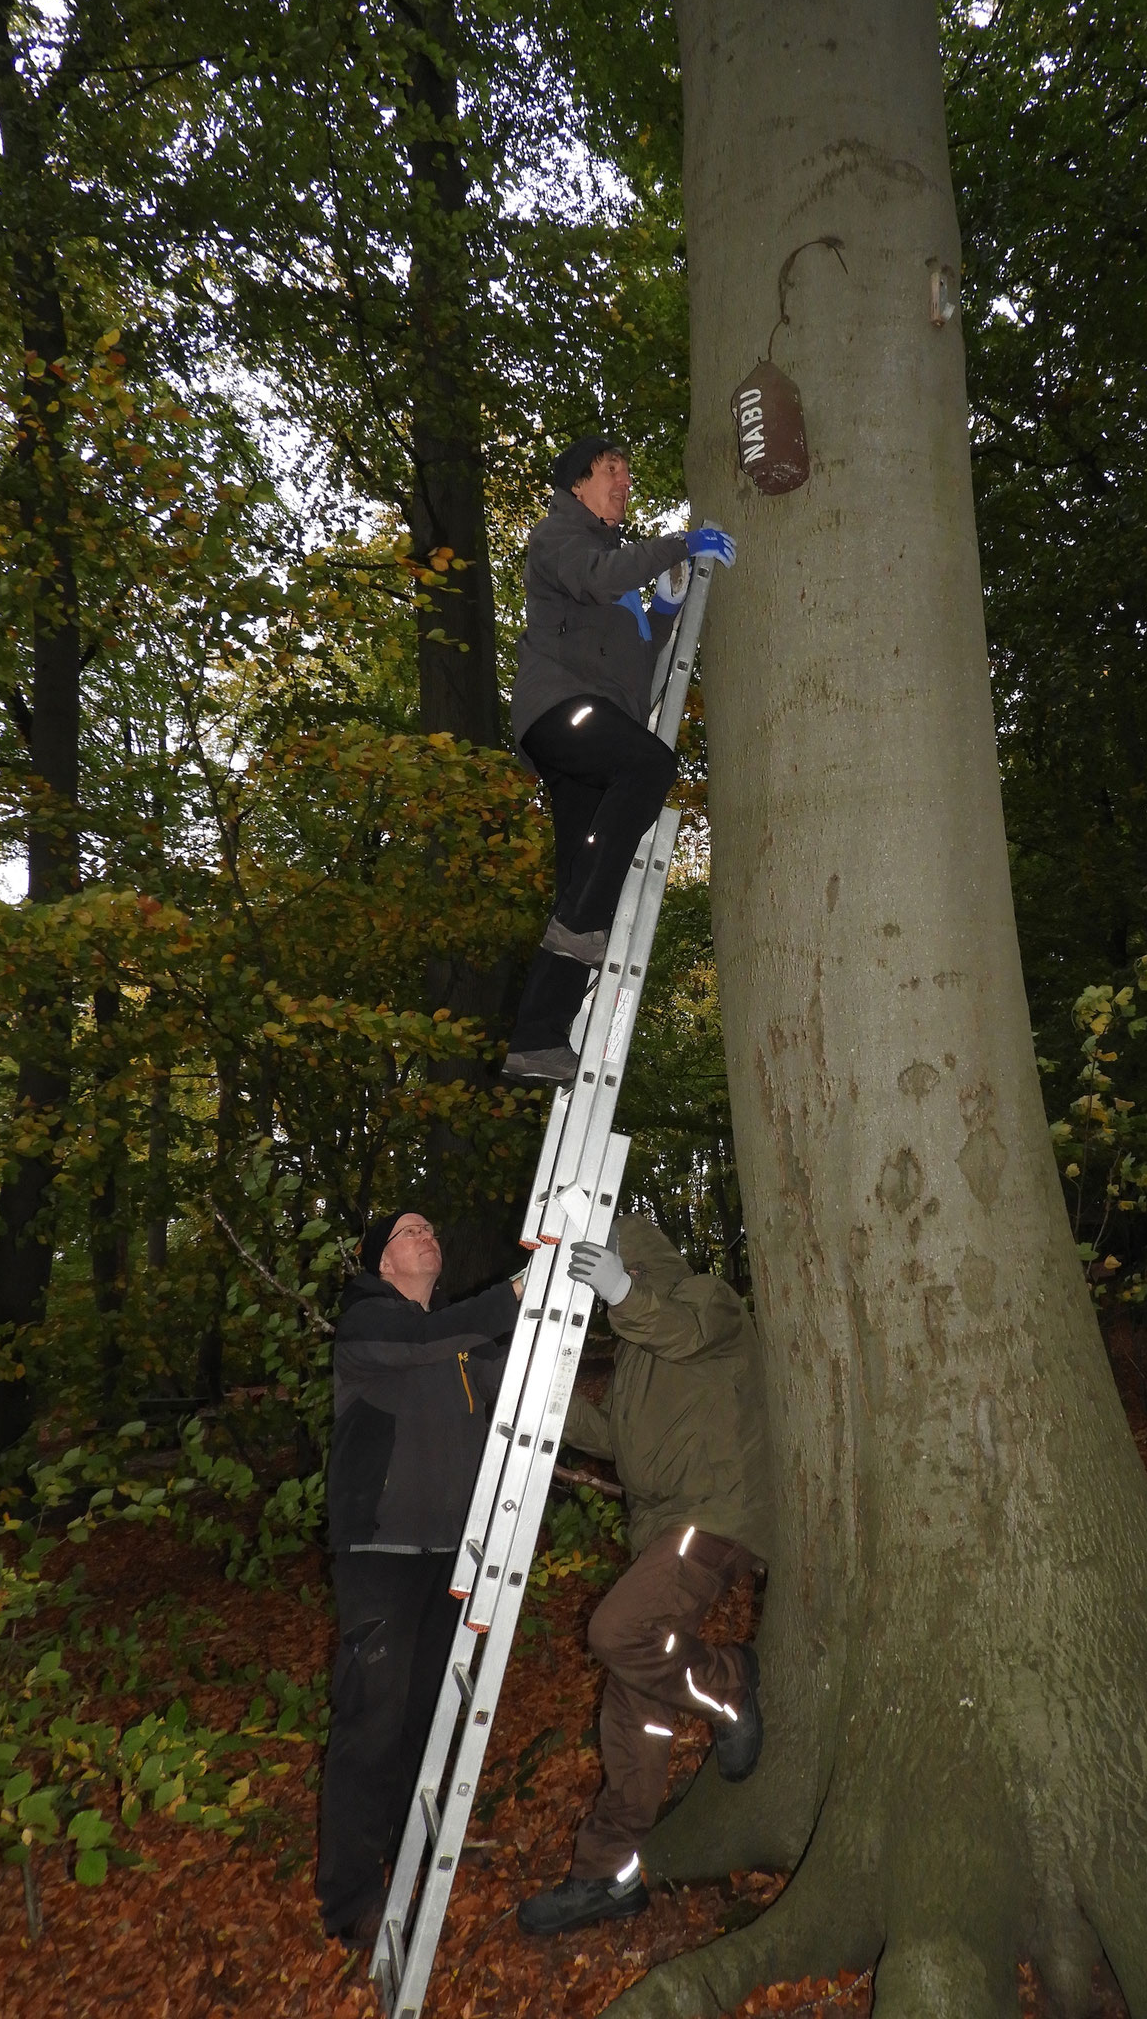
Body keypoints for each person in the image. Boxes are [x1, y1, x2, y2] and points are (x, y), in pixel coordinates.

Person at [515, 1214, 772, 1936]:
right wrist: (545, 1399)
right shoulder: (635, 1353)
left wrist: (624, 1290)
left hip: (715, 1513)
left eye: (609, 1264)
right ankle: (608, 1877)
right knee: (632, 1717)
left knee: (618, 1631)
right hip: (662, 1530)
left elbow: (682, 1333)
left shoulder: (707, 1298)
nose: (600, 1289)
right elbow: (623, 1449)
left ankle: (728, 1683)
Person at [316, 1208, 522, 1947]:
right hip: (381, 1557)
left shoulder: (460, 1344)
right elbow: (423, 1339)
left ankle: (410, 1870)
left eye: (433, 1227)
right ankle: (348, 1901)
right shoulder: (369, 1324)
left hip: (452, 1560)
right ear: (381, 1264)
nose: (427, 1234)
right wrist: (516, 1293)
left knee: (425, 1722)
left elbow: (525, 1386)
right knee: (371, 1722)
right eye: (408, 1231)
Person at [503, 435, 736, 1085]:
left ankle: (538, 1040)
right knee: (652, 767)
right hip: (564, 714)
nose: (623, 485)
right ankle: (581, 927)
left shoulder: (613, 568)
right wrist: (679, 543)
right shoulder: (560, 538)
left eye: (628, 476)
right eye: (612, 473)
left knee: (581, 880)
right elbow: (599, 578)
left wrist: (662, 614)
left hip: (596, 726)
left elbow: (638, 667)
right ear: (577, 483)